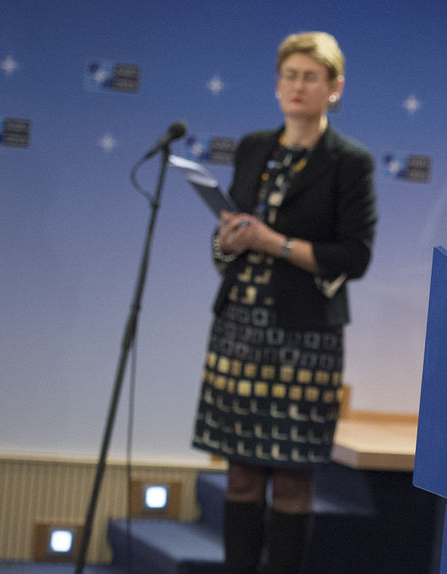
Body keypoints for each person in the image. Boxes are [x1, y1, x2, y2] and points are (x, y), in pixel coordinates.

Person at [192, 31, 377, 574]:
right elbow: (230, 239)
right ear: (277, 86)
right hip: (238, 330)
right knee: (242, 476)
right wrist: (227, 241)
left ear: (334, 88)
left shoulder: (350, 162)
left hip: (304, 338)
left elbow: (355, 256)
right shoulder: (254, 147)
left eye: (310, 77)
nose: (297, 86)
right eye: (289, 76)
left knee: (293, 479)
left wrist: (273, 241)